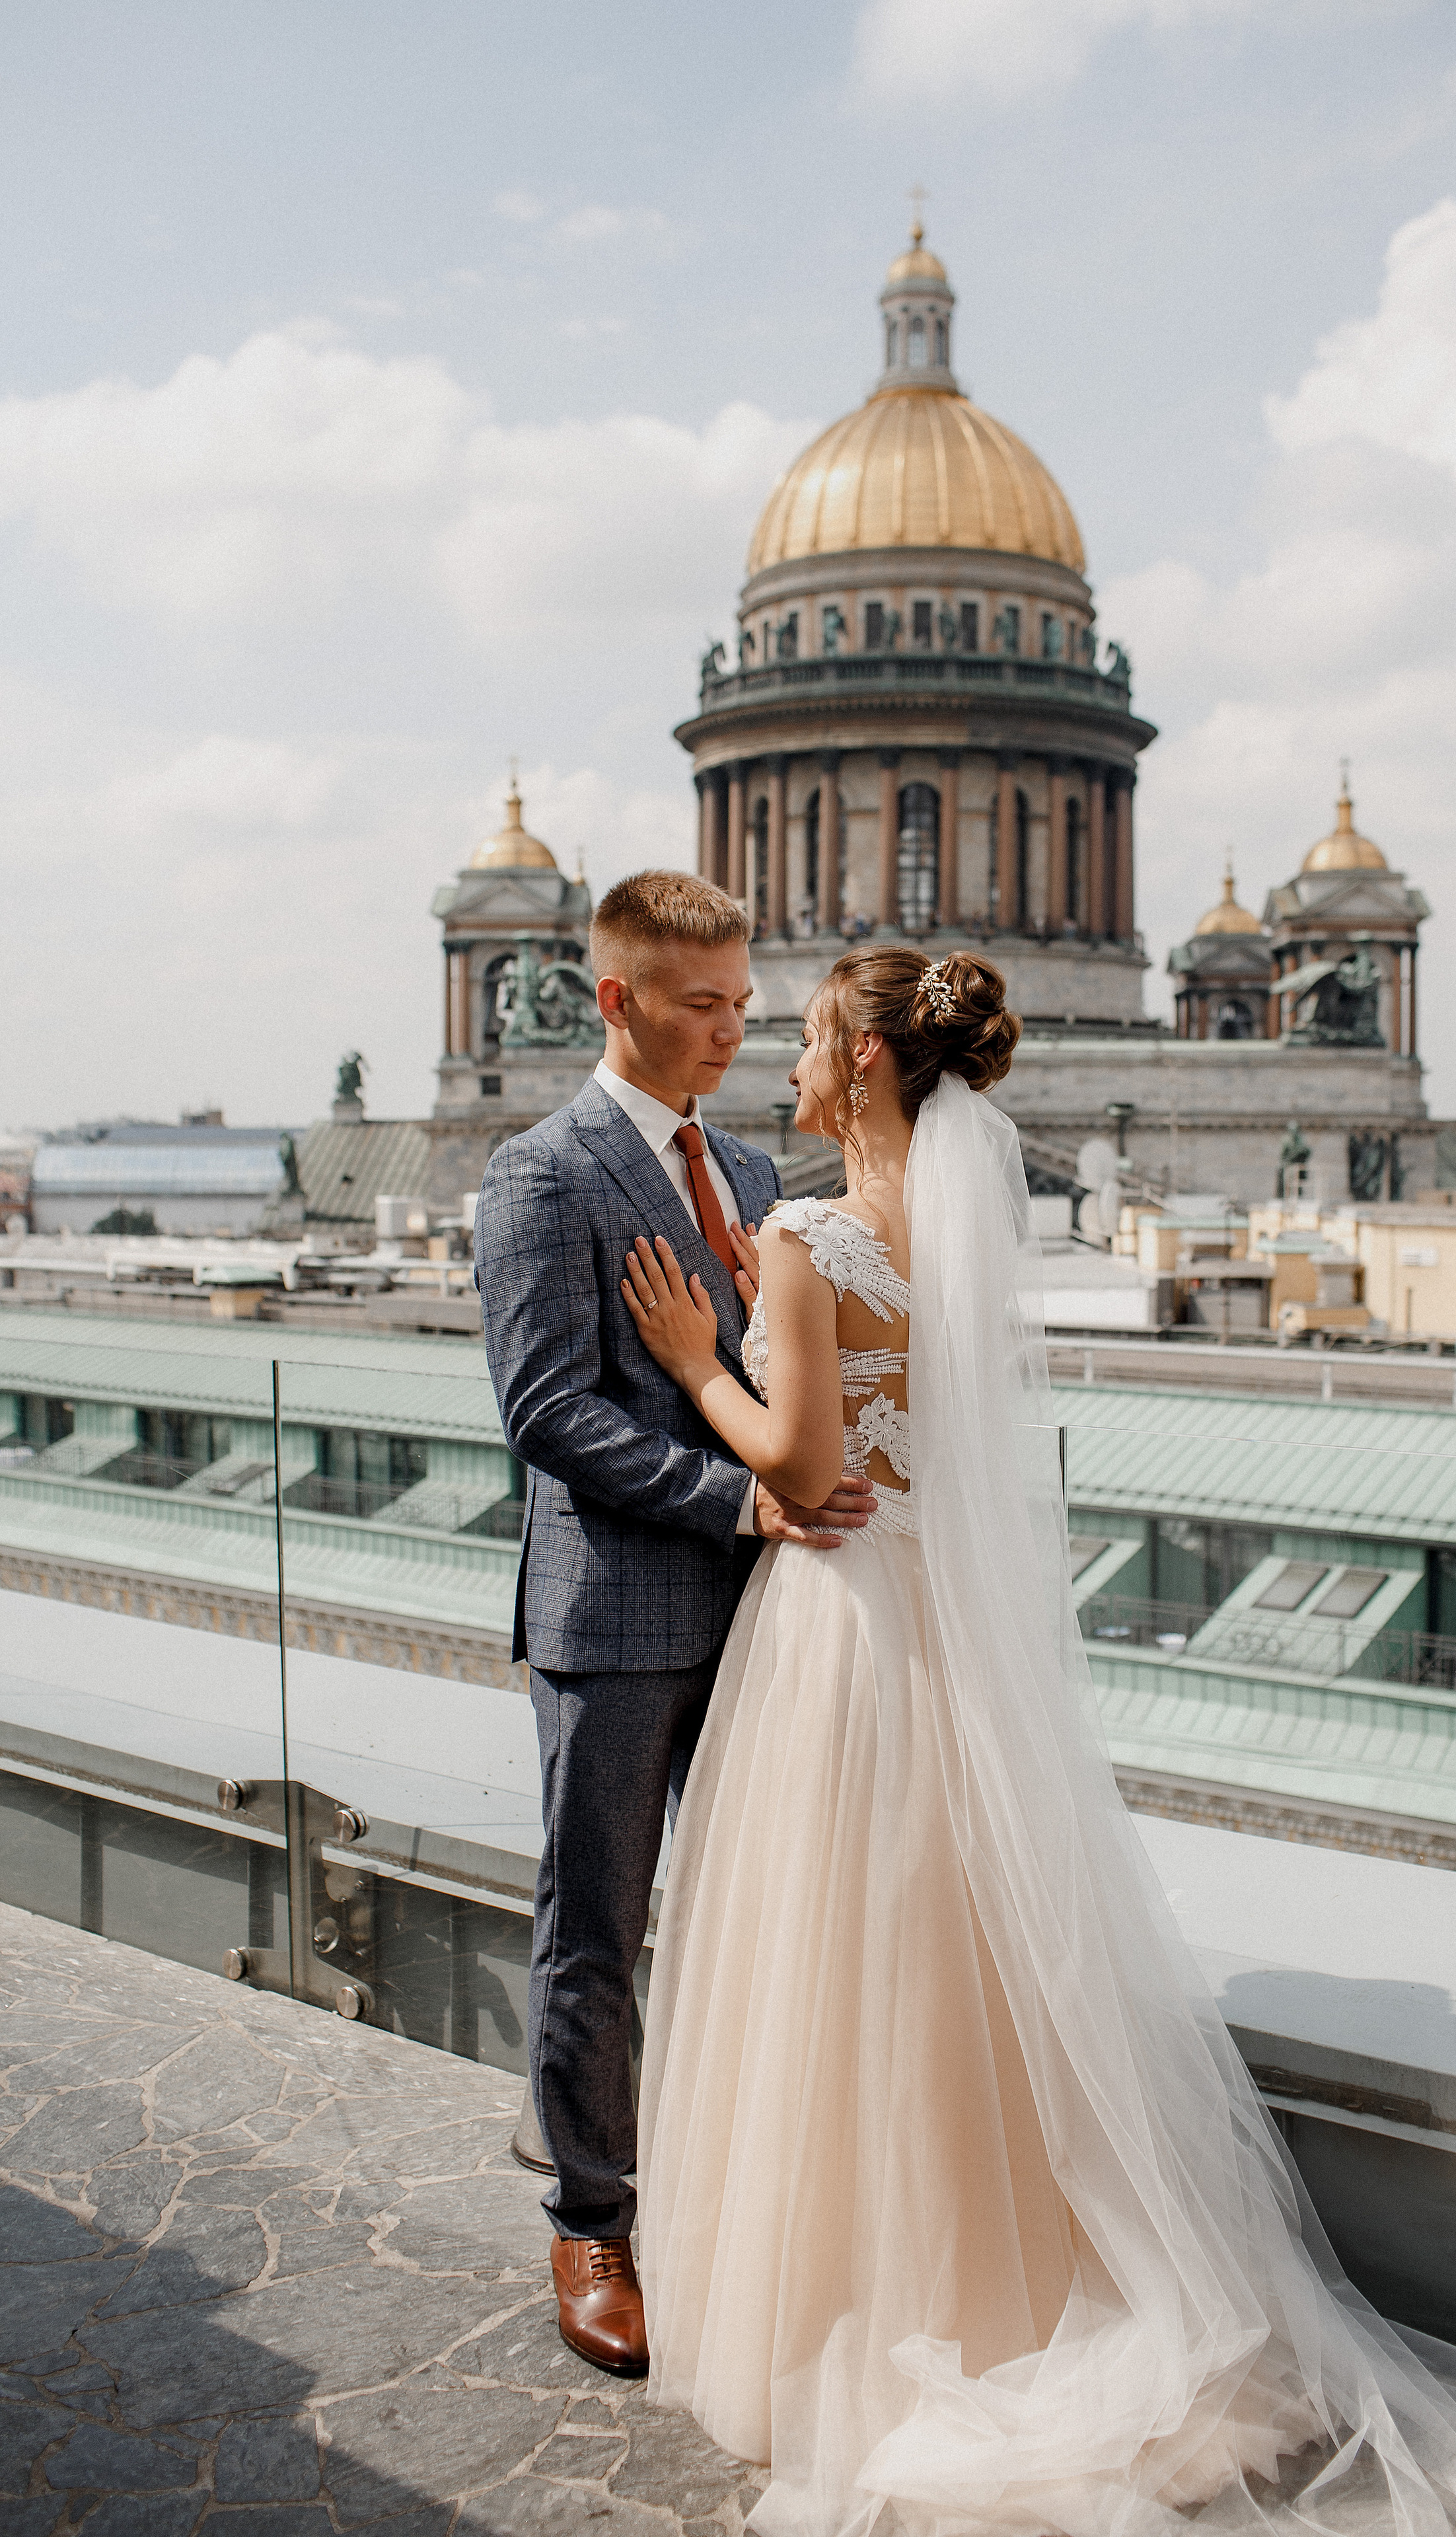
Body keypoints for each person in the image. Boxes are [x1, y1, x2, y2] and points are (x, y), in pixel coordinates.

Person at [619, 944, 1456, 2536]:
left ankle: (855, 2295)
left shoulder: (802, 1231)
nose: (778, 1062)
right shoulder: (966, 1227)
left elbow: (793, 1466)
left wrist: (689, 1361)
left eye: (800, 1038)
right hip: (945, 1625)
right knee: (962, 1955)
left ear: (861, 1063)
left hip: (844, 1631)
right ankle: (1004, 2277)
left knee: (839, 1957)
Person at [475, 871, 873, 2380]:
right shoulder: (540, 1176)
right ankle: (589, 2218)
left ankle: (730, 2197)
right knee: (597, 1930)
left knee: (763, 1913)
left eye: (741, 1004)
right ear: (615, 1000)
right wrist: (739, 1501)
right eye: (699, 1006)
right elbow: (546, 1411)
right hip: (621, 1617)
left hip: (771, 1617)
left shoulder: (760, 1167)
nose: (729, 1029)